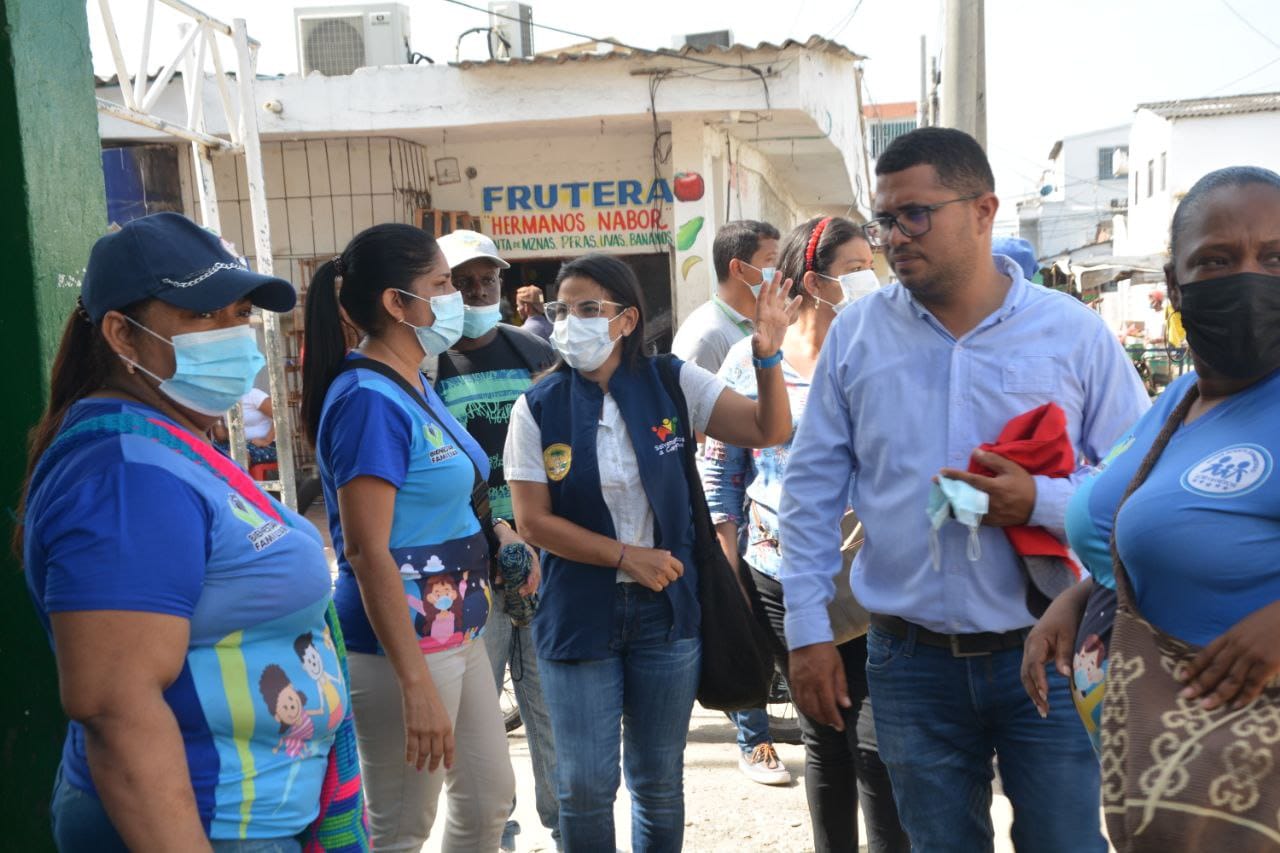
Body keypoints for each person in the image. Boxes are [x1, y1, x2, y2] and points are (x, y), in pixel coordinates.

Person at [778, 127, 1150, 852]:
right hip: (909, 663)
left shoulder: (1071, 334)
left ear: (984, 211)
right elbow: (811, 487)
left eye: (914, 214)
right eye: (885, 219)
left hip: (1049, 646)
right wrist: (808, 633)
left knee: (1066, 841)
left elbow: (1136, 478)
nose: (893, 237)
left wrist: (1038, 503)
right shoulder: (857, 335)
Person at [19, 212, 355, 851]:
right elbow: (115, 706)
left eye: (237, 314)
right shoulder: (124, 477)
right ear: (123, 333)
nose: (233, 334)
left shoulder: (170, 438)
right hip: (204, 828)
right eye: (202, 316)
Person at [505, 252, 797, 850]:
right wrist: (624, 556)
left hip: (666, 615)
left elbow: (768, 429)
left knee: (658, 783)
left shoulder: (671, 381)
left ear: (628, 319)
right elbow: (533, 521)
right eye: (564, 309)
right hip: (579, 615)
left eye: (591, 309)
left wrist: (767, 354)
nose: (571, 321)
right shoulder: (536, 406)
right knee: (584, 787)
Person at [1021, 167, 1280, 839]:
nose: (1250, 278)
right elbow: (1154, 532)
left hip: (1250, 786)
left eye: (1275, 259)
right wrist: (1078, 599)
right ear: (1175, 285)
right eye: (1217, 260)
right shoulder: (1180, 400)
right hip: (1160, 773)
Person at [301, 223, 527, 850]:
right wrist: (414, 684)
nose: (457, 297)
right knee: (402, 825)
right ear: (397, 304)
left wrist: (503, 534)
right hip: (399, 645)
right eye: (441, 284)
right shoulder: (367, 400)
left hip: (458, 629)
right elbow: (366, 549)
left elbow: (448, 496)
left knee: (486, 802)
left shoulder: (413, 381)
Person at [702, 216, 908, 853]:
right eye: (851, 268)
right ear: (812, 280)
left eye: (868, 264)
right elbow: (721, 478)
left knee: (876, 743)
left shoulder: (885, 350)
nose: (868, 278)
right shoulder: (750, 359)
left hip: (876, 575)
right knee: (824, 735)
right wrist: (732, 576)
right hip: (782, 574)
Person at [433, 229, 560, 851]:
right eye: (463, 282)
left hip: (541, 559)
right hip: (467, 567)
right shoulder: (424, 365)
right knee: (477, 720)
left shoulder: (534, 352)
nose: (479, 291)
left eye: (489, 280)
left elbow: (562, 447)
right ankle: (493, 831)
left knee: (551, 707)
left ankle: (567, 826)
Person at [672, 218, 790, 785]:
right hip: (732, 502)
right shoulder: (708, 335)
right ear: (742, 267)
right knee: (743, 624)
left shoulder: (756, 325)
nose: (781, 269)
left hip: (761, 505)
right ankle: (754, 739)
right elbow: (700, 437)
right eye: (772, 257)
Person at [671, 219, 781, 373]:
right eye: (770, 260)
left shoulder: (760, 324)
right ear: (738, 268)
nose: (777, 272)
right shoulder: (708, 337)